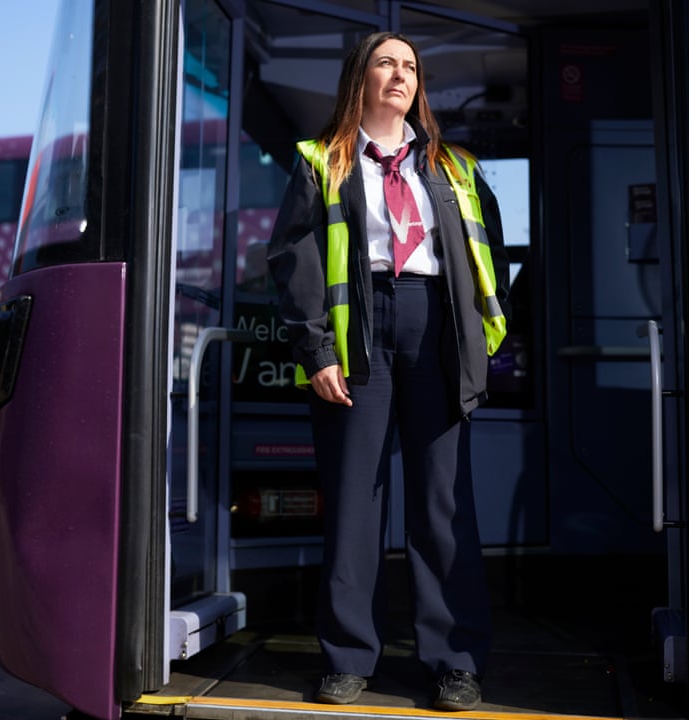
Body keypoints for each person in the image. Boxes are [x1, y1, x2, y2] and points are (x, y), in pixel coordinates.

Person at [266, 31, 510, 712]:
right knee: (353, 506)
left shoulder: (454, 166)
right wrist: (316, 352)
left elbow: (490, 256)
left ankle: (454, 663)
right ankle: (348, 657)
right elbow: (293, 262)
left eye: (410, 66)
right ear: (360, 79)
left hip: (436, 330)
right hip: (359, 334)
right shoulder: (322, 161)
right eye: (386, 63)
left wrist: (482, 339)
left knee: (442, 508)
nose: (400, 74)